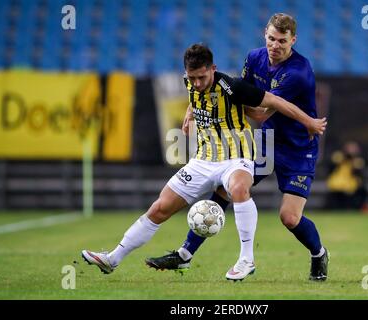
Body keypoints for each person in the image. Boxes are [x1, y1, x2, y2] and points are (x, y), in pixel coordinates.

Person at [82, 43, 327, 280]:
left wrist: (309, 121)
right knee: (159, 208)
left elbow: (275, 102)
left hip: (236, 157)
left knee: (240, 189)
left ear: (213, 69)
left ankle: (246, 259)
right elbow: (196, 95)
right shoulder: (190, 82)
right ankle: (112, 259)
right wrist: (189, 114)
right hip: (202, 161)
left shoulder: (233, 87)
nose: (197, 83)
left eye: (202, 77)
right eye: (192, 78)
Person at [146, 13, 330, 281]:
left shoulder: (298, 73)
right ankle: (184, 254)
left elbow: (257, 113)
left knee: (289, 218)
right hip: (266, 141)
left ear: (293, 40)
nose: (275, 45)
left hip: (298, 149)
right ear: (264, 34)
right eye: (271, 38)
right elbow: (233, 94)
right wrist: (195, 106)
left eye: (282, 40)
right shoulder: (254, 58)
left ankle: (318, 254)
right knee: (226, 188)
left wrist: (222, 101)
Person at [326, 141, 367, 210]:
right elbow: (332, 164)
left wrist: (352, 159)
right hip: (336, 185)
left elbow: (358, 171)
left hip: (350, 186)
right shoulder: (339, 156)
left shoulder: (357, 160)